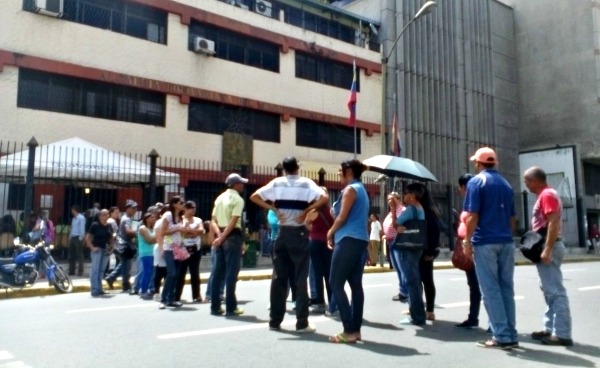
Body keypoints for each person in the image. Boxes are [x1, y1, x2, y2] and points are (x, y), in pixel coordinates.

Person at [250, 156, 328, 333]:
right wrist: (307, 210)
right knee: (300, 277)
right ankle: (301, 322)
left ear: (284, 169)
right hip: (299, 233)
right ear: (297, 167)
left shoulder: (277, 183)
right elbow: (324, 197)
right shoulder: (306, 183)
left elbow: (254, 196)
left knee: (279, 277)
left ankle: (275, 320)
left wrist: (273, 209)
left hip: (282, 233)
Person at [462, 147, 518, 350]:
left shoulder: (477, 182)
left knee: (491, 290)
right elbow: (512, 219)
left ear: (478, 163)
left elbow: (472, 216)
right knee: (506, 289)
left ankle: (501, 336)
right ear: (494, 163)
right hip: (506, 241)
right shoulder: (506, 184)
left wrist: (467, 241)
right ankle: (510, 333)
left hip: (485, 241)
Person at [523, 166, 573, 346]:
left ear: (534, 181)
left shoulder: (547, 195)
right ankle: (550, 328)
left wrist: (547, 249)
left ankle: (562, 334)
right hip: (548, 245)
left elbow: (553, 222)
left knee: (555, 292)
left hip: (549, 245)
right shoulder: (544, 195)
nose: (526, 185)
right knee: (548, 289)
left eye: (527, 181)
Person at [325, 159, 369, 343]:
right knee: (355, 284)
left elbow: (342, 217)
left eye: (340, 170)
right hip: (359, 240)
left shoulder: (351, 190)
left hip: (348, 239)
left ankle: (349, 330)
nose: (338, 173)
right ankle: (356, 330)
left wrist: (330, 232)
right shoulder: (362, 190)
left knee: (335, 282)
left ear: (348, 171)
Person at [210, 174, 247, 316]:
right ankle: (231, 307)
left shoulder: (219, 198)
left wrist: (219, 235)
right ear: (235, 184)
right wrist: (224, 236)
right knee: (232, 273)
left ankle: (215, 306)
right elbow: (233, 221)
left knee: (217, 273)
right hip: (232, 236)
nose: (242, 186)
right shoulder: (238, 199)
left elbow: (213, 219)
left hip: (220, 234)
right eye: (241, 183)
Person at [392, 183, 427, 326]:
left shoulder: (411, 209)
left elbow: (396, 224)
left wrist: (394, 208)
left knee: (411, 282)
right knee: (415, 281)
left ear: (412, 195)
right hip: (417, 247)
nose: (404, 196)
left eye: (406, 193)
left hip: (407, 248)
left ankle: (417, 316)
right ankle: (417, 313)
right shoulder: (420, 208)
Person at [454, 174, 483, 329]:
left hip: (475, 247)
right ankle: (473, 317)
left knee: (482, 285)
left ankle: (493, 322)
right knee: (474, 284)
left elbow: (474, 220)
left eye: (460, 186)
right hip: (470, 246)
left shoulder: (474, 200)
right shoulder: (469, 200)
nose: (459, 190)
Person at [305, 187, 334, 314]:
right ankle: (332, 301)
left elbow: (307, 225)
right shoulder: (331, 211)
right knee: (329, 273)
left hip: (314, 243)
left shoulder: (311, 212)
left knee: (317, 273)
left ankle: (320, 302)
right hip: (328, 243)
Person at [416, 183, 441, 322]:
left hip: (426, 251)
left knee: (427, 280)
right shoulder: (418, 209)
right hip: (419, 250)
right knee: (418, 280)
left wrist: (430, 251)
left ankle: (430, 310)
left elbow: (435, 231)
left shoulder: (428, 210)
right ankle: (419, 307)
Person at [159, 196, 186, 309]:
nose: (183, 204)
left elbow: (180, 232)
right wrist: (178, 229)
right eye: (181, 202)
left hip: (178, 247)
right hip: (169, 247)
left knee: (177, 274)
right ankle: (164, 299)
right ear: (174, 204)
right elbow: (163, 232)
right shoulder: (168, 215)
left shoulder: (180, 217)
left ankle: (171, 299)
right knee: (172, 273)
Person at [175, 200, 205, 303]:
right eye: (191, 208)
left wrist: (190, 231)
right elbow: (182, 232)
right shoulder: (181, 219)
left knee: (195, 272)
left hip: (196, 248)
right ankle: (176, 296)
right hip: (183, 248)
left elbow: (201, 231)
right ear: (186, 209)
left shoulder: (198, 220)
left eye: (195, 209)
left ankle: (196, 295)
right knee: (181, 273)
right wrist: (193, 232)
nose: (193, 211)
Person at [105, 200, 138, 292]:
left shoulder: (127, 218)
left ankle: (111, 278)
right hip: (126, 246)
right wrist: (137, 232)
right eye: (133, 208)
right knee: (126, 266)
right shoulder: (126, 219)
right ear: (128, 209)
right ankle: (125, 284)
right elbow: (128, 232)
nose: (135, 210)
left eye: (136, 208)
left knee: (124, 264)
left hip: (126, 245)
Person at [383, 192, 408, 303]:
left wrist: (393, 209)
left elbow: (396, 224)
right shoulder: (392, 211)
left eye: (391, 199)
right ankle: (402, 289)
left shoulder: (402, 210)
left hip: (398, 242)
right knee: (397, 268)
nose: (389, 201)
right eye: (388, 199)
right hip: (390, 242)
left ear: (397, 199)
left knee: (402, 268)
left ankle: (405, 291)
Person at [85, 209, 114, 297]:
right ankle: (94, 289)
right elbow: (88, 238)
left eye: (107, 214)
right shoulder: (95, 225)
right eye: (104, 214)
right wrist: (92, 248)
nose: (107, 216)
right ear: (100, 216)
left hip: (106, 249)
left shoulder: (109, 225)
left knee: (101, 270)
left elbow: (111, 238)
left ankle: (100, 288)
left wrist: (112, 248)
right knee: (95, 269)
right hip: (97, 249)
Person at [137, 212, 157, 300]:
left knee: (151, 273)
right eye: (152, 217)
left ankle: (147, 289)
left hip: (153, 253)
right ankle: (143, 290)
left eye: (154, 217)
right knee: (147, 272)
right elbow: (149, 240)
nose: (154, 219)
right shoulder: (143, 228)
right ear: (146, 218)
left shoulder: (152, 229)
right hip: (145, 253)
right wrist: (159, 237)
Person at [68, 205, 86, 276]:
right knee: (71, 255)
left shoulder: (81, 218)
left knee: (79, 255)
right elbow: (72, 228)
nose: (72, 211)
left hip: (78, 237)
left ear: (75, 210)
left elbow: (82, 229)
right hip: (73, 237)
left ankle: (80, 271)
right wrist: (70, 237)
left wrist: (81, 238)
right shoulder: (74, 219)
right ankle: (71, 270)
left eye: (72, 210)